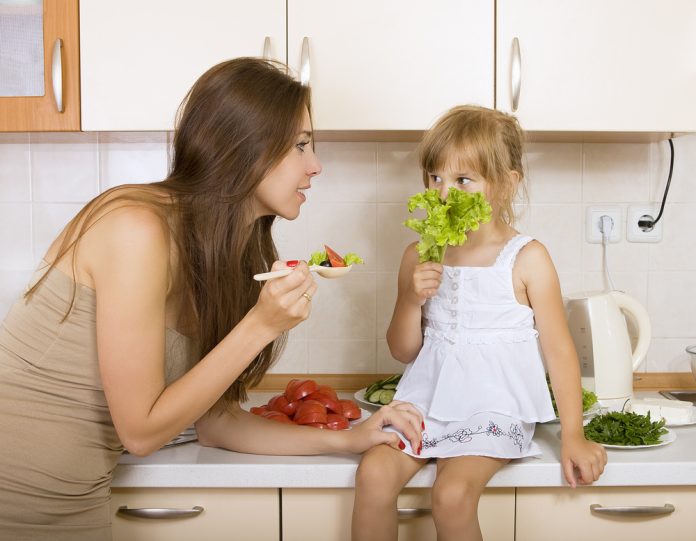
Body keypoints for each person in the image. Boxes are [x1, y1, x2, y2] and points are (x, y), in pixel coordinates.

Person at [0, 57, 423, 540]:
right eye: (301, 145)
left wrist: (351, 439)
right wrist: (262, 325)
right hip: (13, 501)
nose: (316, 165)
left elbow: (216, 422)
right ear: (245, 148)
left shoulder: (228, 260)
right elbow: (140, 432)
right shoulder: (134, 227)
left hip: (77, 503)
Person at [352, 105, 607, 541]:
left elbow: (560, 351)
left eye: (463, 180)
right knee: (374, 474)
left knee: (451, 495)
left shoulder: (527, 258)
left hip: (494, 406)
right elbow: (403, 350)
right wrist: (411, 299)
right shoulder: (419, 255)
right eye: (435, 178)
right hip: (427, 402)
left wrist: (574, 436)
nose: (444, 193)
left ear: (506, 185)